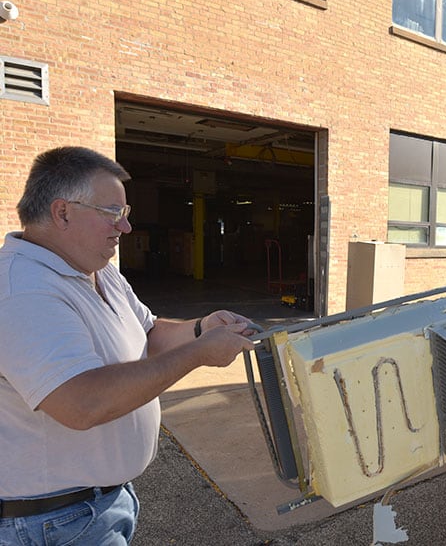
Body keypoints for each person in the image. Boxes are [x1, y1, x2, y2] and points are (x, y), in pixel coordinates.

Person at [0, 147, 258, 545]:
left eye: (126, 213)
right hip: (54, 522)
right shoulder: (23, 290)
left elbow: (149, 333)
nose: (126, 228)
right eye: (112, 213)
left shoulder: (97, 270)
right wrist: (198, 354)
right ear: (62, 212)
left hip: (97, 506)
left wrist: (201, 328)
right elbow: (80, 403)